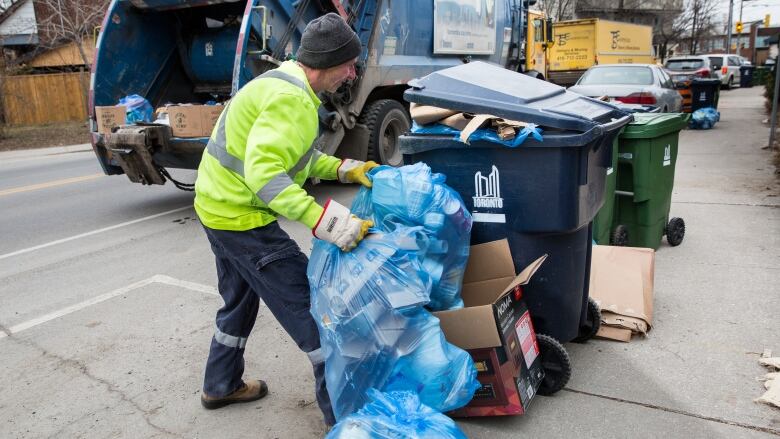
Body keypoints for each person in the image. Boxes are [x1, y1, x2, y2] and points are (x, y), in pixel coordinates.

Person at [193, 13, 377, 427]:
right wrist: (332, 225)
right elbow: (266, 176)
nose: (351, 73)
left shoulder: (283, 82)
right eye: (348, 64)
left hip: (216, 208)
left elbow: (293, 156)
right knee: (313, 311)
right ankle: (344, 420)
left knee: (239, 300)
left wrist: (346, 169)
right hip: (242, 218)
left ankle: (220, 384)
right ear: (326, 61)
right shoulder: (293, 100)